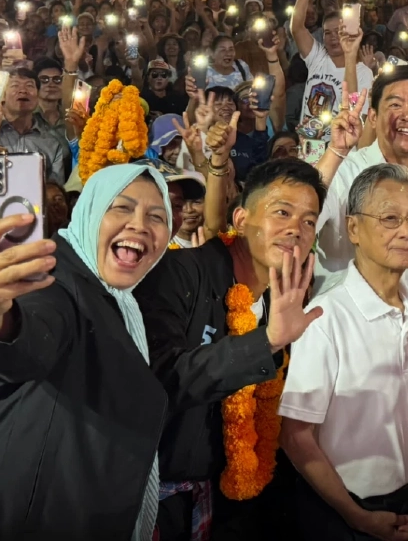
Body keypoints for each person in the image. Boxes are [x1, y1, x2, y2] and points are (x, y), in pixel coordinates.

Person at [0, 163, 174, 540]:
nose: (140, 224)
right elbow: (29, 336)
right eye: (121, 207)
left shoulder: (119, 300)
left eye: (156, 215)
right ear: (88, 210)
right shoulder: (51, 281)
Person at [141, 157, 327, 540]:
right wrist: (267, 342)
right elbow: (158, 379)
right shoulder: (182, 273)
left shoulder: (287, 300)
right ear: (240, 220)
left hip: (231, 499)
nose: (296, 229)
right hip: (157, 497)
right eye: (282, 212)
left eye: (309, 221)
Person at [280, 163, 408, 541]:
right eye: (390, 218)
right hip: (342, 508)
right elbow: (296, 436)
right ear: (354, 228)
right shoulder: (326, 318)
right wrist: (354, 515)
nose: (407, 232)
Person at [315, 65, 408, 337]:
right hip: (342, 331)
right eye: (395, 104)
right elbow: (307, 216)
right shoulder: (345, 171)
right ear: (373, 116)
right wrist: (335, 151)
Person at [291, 0, 372, 141]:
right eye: (327, 33)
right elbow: (297, 28)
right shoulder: (318, 57)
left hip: (341, 154)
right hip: (309, 145)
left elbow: (354, 112)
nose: (333, 37)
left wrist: (350, 53)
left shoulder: (364, 72)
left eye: (338, 32)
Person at [0, 68, 71, 184]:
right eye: (15, 85)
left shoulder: (51, 144)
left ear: (38, 95)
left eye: (30, 86)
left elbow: (55, 189)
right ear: (2, 95)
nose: (23, 91)